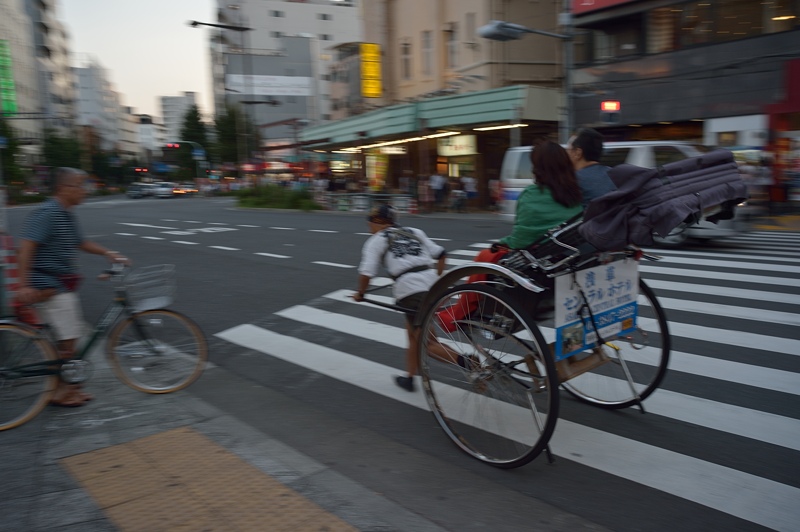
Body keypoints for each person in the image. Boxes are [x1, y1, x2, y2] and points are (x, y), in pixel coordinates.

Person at [437, 140, 583, 330]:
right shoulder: (574, 193)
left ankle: (461, 312)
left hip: (538, 261)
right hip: (564, 257)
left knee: (484, 256)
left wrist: (502, 243)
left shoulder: (532, 194)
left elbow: (520, 239)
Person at [17, 167, 130, 408]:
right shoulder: (48, 212)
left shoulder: (66, 214)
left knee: (66, 341)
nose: (85, 190)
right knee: (68, 342)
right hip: (49, 284)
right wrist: (24, 283)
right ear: (65, 188)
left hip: (58, 283)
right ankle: (62, 391)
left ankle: (65, 388)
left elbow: (81, 242)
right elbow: (26, 247)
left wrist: (108, 253)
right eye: (80, 185)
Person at [353, 204, 466, 391]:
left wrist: (360, 293)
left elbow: (367, 273)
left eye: (369, 223)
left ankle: (471, 364)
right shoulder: (414, 231)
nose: (368, 228)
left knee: (428, 344)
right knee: (413, 335)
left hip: (411, 293)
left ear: (376, 222)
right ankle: (410, 377)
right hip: (432, 288)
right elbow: (442, 255)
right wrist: (436, 280)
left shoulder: (376, 240)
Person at [566, 128, 616, 207]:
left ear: (578, 153)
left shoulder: (573, 180)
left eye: (568, 150)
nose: (566, 155)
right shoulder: (614, 174)